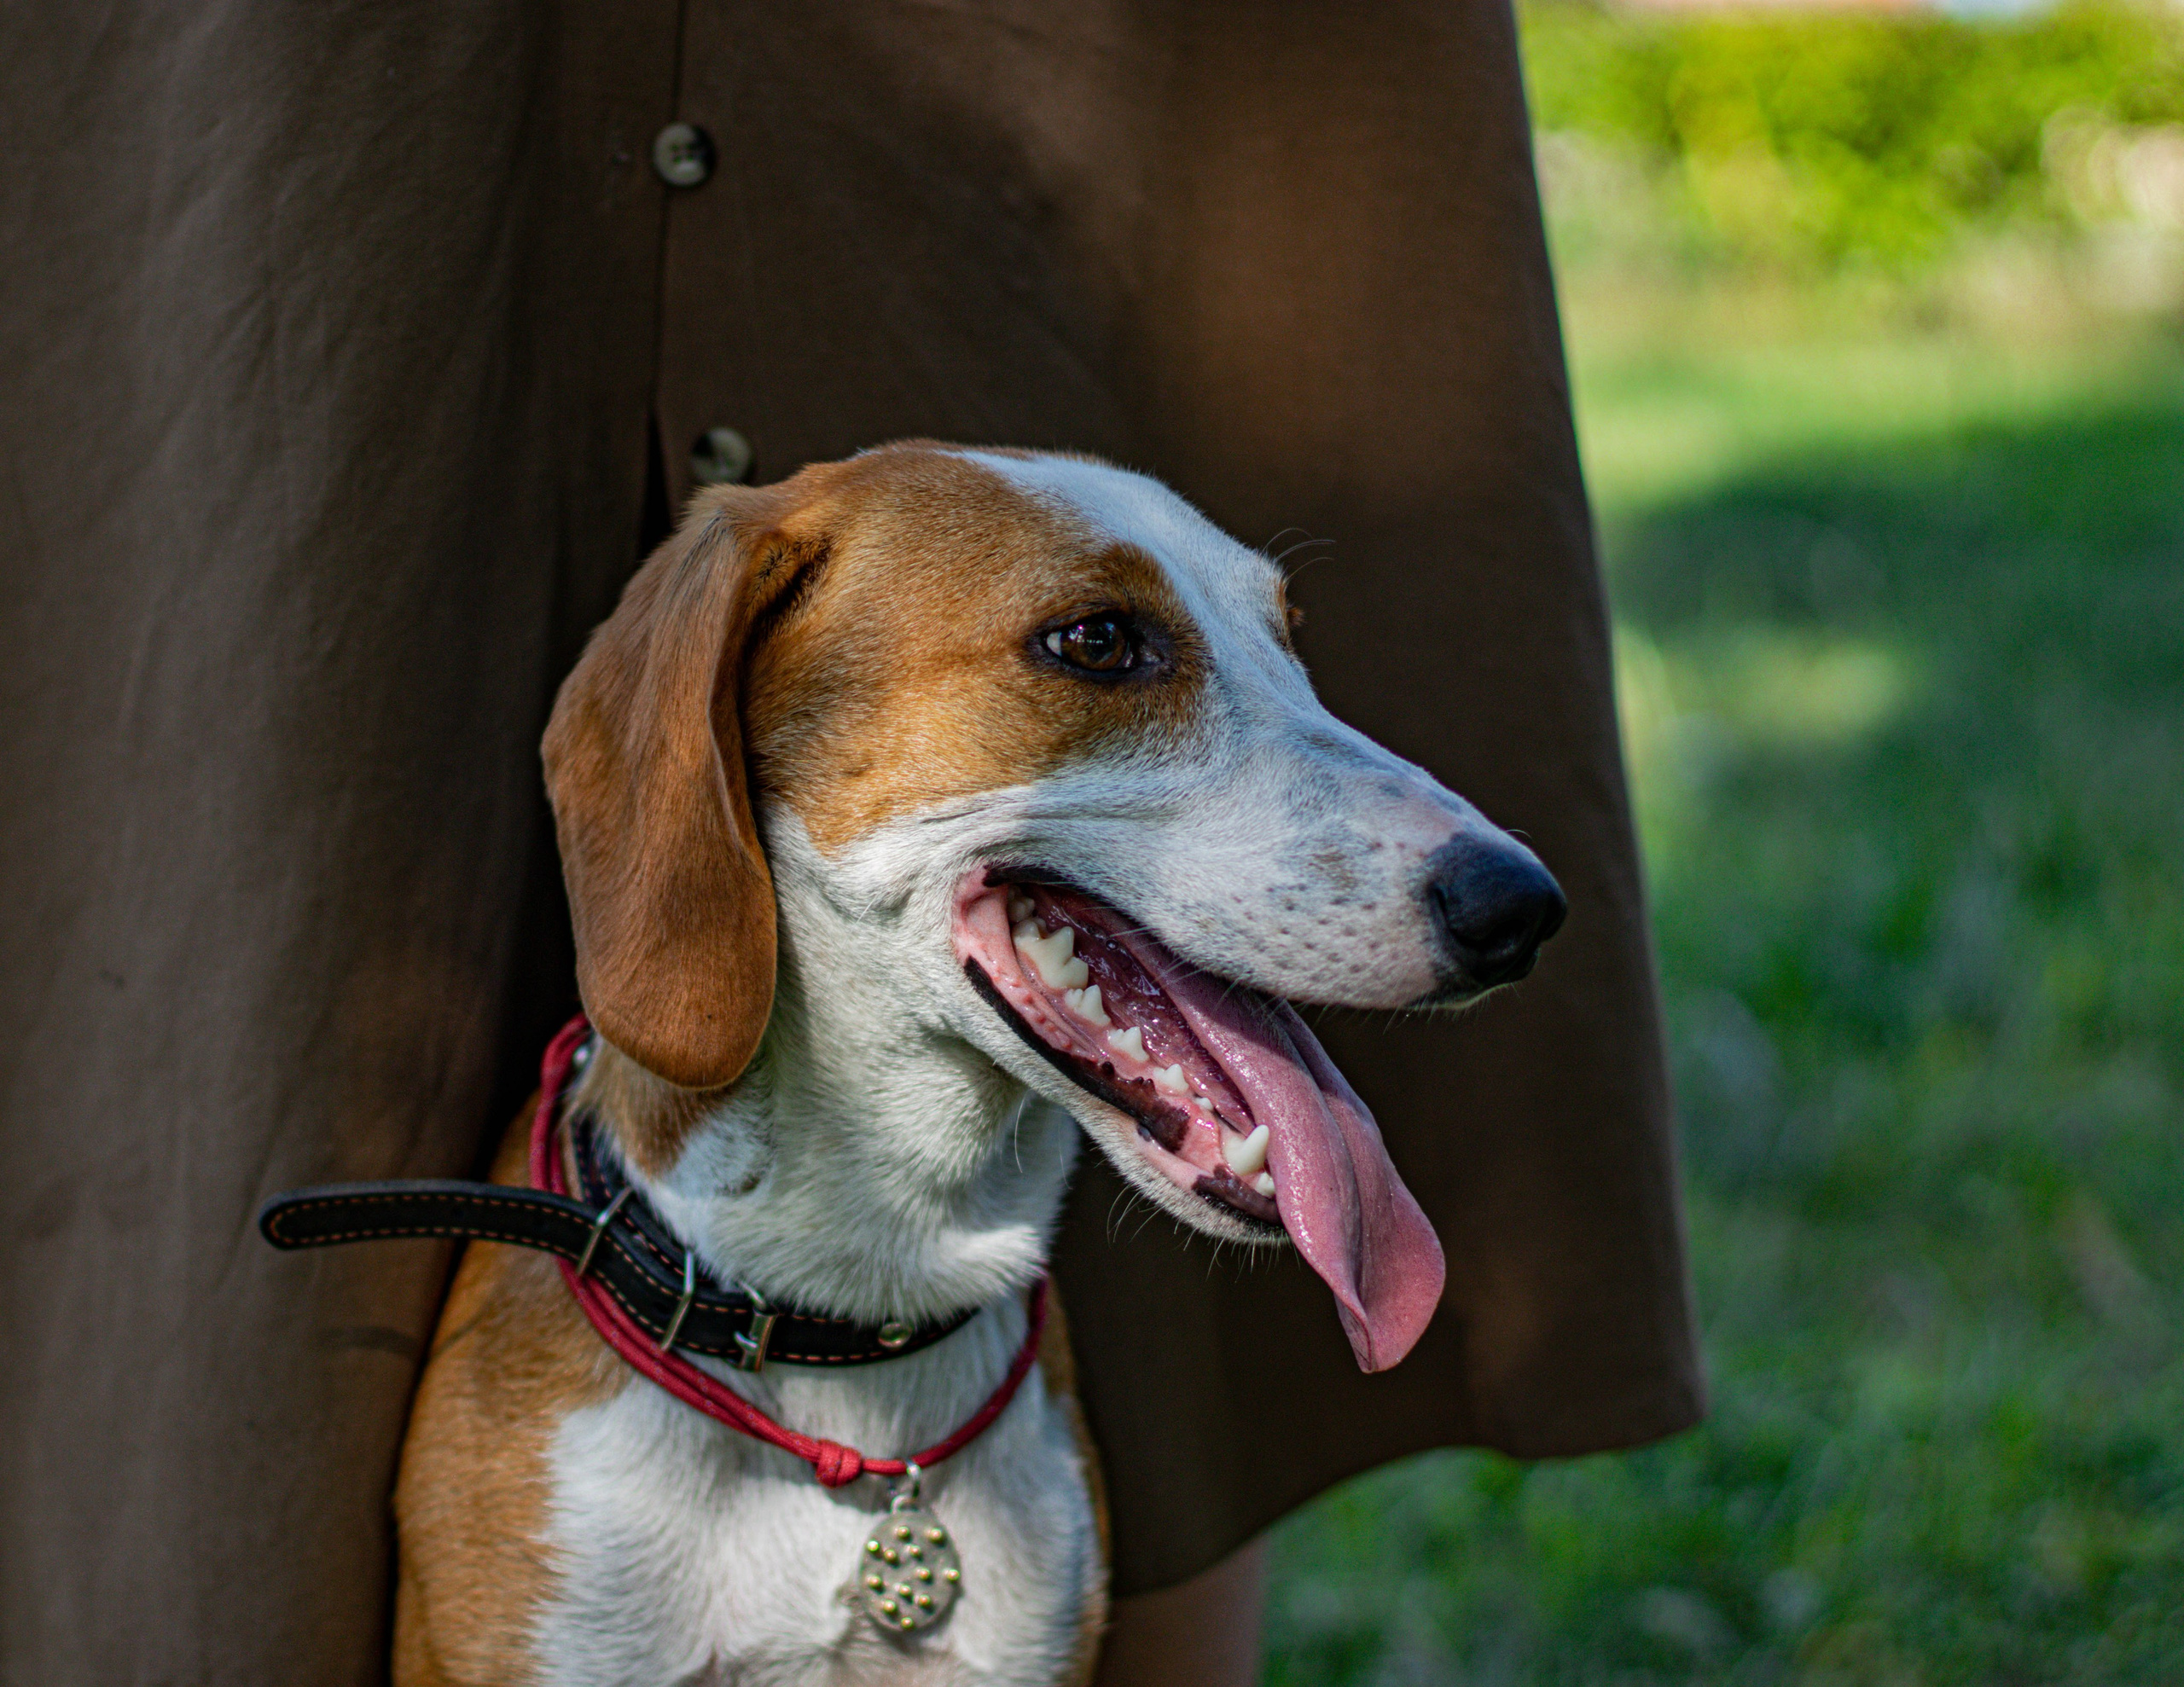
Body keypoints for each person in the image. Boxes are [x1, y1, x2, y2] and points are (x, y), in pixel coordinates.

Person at [0, 3, 1701, 1680]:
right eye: (1096, 650)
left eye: (1262, 651)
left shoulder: (1031, 1428)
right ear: (736, 718)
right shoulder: (538, 1470)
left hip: (960, 1404)